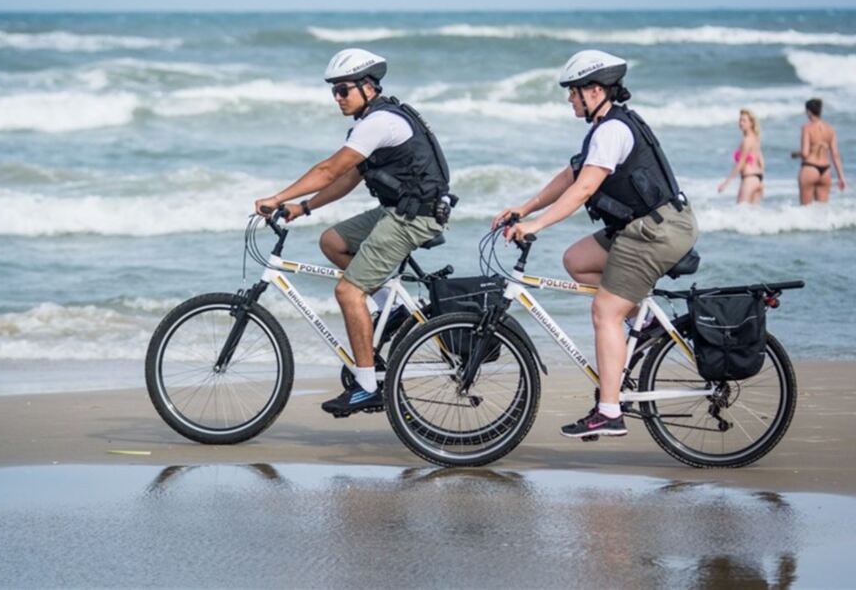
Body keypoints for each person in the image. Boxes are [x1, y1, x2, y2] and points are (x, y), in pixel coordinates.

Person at [491, 50, 698, 439]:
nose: (570, 99)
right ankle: (643, 321)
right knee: (577, 260)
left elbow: (585, 188)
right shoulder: (604, 129)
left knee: (605, 312)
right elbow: (571, 175)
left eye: (573, 92)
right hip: (643, 226)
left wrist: (537, 225)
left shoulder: (612, 131)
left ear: (596, 90)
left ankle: (609, 411)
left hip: (656, 231)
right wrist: (525, 208)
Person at [254, 48, 452, 417]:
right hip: (399, 210)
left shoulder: (379, 122)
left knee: (347, 291)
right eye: (334, 91)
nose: (338, 98)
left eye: (344, 89)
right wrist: (304, 207)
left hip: (414, 217)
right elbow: (348, 178)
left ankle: (367, 386)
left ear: (367, 86)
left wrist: (278, 196)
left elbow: (329, 169)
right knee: (332, 241)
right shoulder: (370, 122)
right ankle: (385, 310)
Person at [796, 98, 846, 204]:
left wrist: (795, 154)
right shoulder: (830, 129)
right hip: (826, 171)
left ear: (808, 111)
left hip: (810, 168)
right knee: (822, 211)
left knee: (806, 210)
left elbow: (805, 153)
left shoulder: (807, 128)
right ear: (820, 111)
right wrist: (841, 177)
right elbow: (835, 155)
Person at [717, 109, 765, 204]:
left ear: (751, 123)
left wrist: (725, 183)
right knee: (752, 215)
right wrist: (761, 181)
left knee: (741, 211)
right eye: (740, 120)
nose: (741, 123)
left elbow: (740, 163)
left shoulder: (747, 140)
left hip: (748, 179)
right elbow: (762, 162)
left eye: (744, 120)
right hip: (758, 180)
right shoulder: (756, 139)